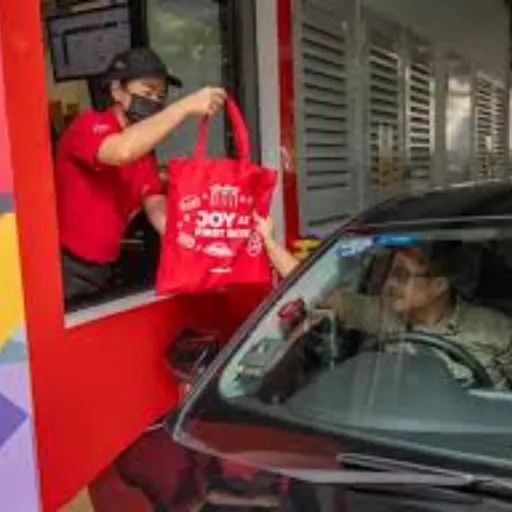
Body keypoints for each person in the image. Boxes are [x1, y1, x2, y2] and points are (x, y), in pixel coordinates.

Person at [254, 214, 512, 389]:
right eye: (391, 273)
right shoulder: (382, 314)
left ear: (438, 286)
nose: (389, 284)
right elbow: (319, 292)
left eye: (402, 276)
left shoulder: (496, 330)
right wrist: (269, 242)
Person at [55, 47, 227, 303]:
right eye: (148, 92)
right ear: (117, 91)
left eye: (161, 96)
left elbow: (155, 203)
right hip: (65, 266)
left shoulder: (145, 155)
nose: (155, 101)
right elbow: (121, 150)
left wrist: (197, 249)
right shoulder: (90, 125)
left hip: (102, 268)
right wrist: (185, 106)